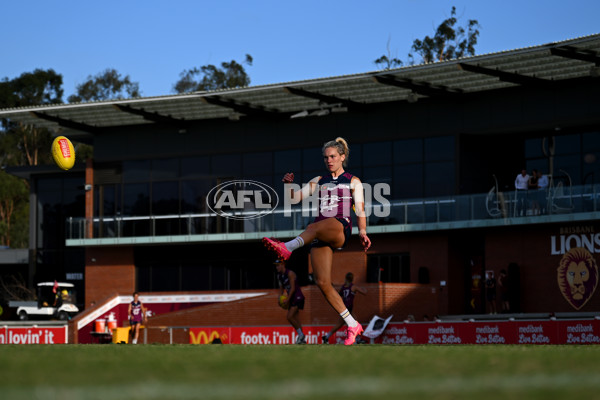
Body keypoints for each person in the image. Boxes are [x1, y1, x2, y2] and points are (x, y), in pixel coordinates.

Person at [263, 137, 372, 345]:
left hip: (339, 227)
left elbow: (360, 208)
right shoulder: (319, 180)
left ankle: (287, 248)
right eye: (325, 157)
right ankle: (352, 325)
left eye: (332, 156)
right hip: (319, 232)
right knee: (323, 283)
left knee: (312, 227)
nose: (329, 160)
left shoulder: (353, 180)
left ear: (342, 157)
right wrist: (288, 186)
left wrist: (363, 231)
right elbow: (295, 198)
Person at [321, 272, 366, 344]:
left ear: (346, 278)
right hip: (348, 308)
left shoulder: (344, 287)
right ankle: (327, 336)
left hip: (344, 307)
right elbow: (364, 292)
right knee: (341, 324)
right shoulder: (353, 287)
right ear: (352, 279)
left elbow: (338, 295)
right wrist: (362, 288)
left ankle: (358, 339)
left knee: (355, 321)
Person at [275, 260, 306, 344]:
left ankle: (301, 335)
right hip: (292, 298)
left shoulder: (290, 273)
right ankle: (302, 339)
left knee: (289, 317)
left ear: (283, 265)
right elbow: (281, 289)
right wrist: (279, 299)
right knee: (295, 318)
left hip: (297, 297)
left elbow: (293, 288)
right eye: (276, 265)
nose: (277, 267)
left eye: (278, 265)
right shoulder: (279, 276)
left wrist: (287, 300)